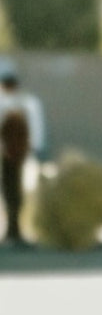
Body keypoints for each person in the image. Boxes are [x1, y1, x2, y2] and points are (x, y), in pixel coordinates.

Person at [0, 60, 46, 246]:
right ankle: (13, 229)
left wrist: (33, 150)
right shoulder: (24, 103)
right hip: (12, 154)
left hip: (16, 155)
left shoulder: (25, 103)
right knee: (12, 192)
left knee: (15, 193)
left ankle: (14, 229)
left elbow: (35, 130)